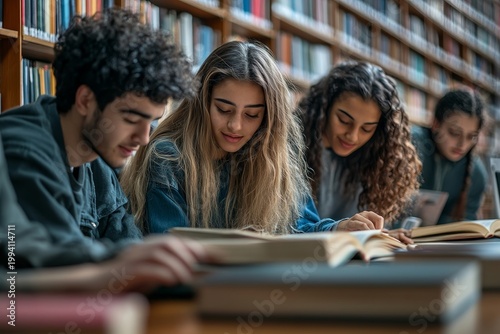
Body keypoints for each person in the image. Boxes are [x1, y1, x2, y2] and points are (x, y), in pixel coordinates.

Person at [0, 8, 208, 270]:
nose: (144, 139)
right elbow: (60, 263)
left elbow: (129, 244)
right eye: (132, 119)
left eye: (151, 123)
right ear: (85, 100)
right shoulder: (23, 151)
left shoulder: (97, 157)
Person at [121, 41, 383, 235]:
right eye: (224, 110)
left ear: (268, 120)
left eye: (252, 115)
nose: (235, 126)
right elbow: (171, 241)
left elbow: (300, 226)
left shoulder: (273, 157)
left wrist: (339, 228)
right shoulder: (168, 156)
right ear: (202, 103)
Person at [298, 61, 421, 231]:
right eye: (344, 121)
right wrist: (339, 229)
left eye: (367, 128)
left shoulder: (374, 159)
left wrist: (379, 236)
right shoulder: (292, 146)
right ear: (324, 107)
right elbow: (293, 227)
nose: (353, 136)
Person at [411, 88, 488, 224]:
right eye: (454, 132)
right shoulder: (409, 147)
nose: (462, 144)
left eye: (471, 136)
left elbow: (467, 225)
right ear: (436, 125)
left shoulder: (476, 173)